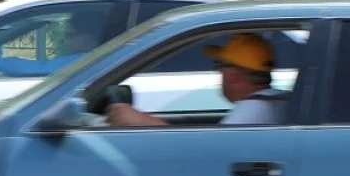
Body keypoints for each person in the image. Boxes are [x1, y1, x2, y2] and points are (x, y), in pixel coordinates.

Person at [107, 32, 288, 127]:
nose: (219, 74)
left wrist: (140, 121)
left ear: (234, 75)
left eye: (220, 67)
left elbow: (208, 153)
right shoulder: (278, 101)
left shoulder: (250, 111)